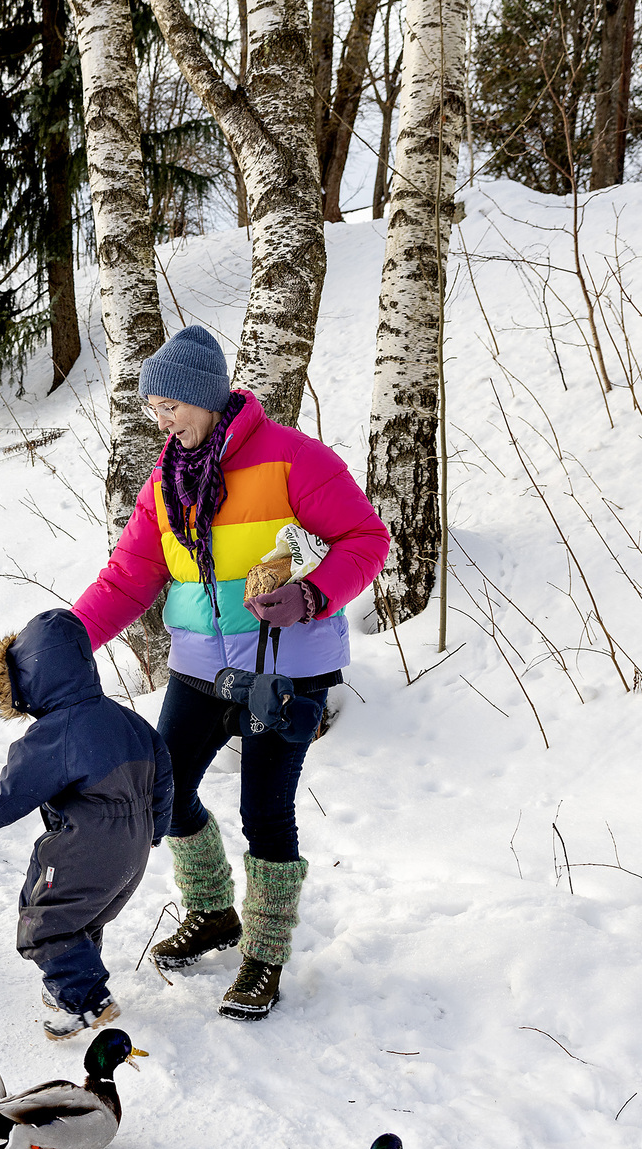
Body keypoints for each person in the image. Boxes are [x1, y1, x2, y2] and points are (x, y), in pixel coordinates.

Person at [70, 325, 390, 1021]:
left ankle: (265, 953)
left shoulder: (294, 460)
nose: (162, 421)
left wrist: (312, 595)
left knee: (263, 810)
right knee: (164, 791)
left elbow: (367, 539)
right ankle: (214, 911)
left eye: (170, 406)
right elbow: (128, 578)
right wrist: (69, 640)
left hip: (286, 672)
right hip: (198, 670)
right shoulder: (167, 485)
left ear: (205, 396)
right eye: (153, 409)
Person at [0, 608, 173, 1041]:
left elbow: (7, 795)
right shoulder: (126, 718)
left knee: (42, 924)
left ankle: (86, 1001)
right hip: (134, 849)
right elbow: (163, 771)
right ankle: (71, 984)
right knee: (81, 918)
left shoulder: (55, 734)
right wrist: (156, 826)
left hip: (89, 844)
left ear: (30, 679)